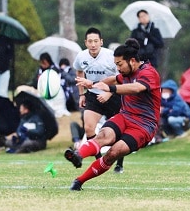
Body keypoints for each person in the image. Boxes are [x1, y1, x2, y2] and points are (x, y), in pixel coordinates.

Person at [64, 38, 160, 190]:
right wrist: (93, 84)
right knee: (103, 136)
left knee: (113, 152)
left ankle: (79, 180)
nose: (118, 68)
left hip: (144, 125)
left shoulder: (149, 73)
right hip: (125, 116)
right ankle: (78, 155)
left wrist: (109, 89)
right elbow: (113, 79)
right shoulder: (126, 73)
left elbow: (135, 88)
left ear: (132, 61)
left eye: (119, 64)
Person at [72, 27, 125, 173]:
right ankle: (99, 161)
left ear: (101, 42)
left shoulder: (110, 56)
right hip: (93, 95)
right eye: (90, 41)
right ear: (85, 43)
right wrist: (82, 94)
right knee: (89, 128)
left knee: (119, 131)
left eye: (96, 41)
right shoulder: (81, 57)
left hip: (113, 95)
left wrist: (109, 93)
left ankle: (119, 163)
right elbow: (78, 71)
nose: (93, 44)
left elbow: (121, 77)